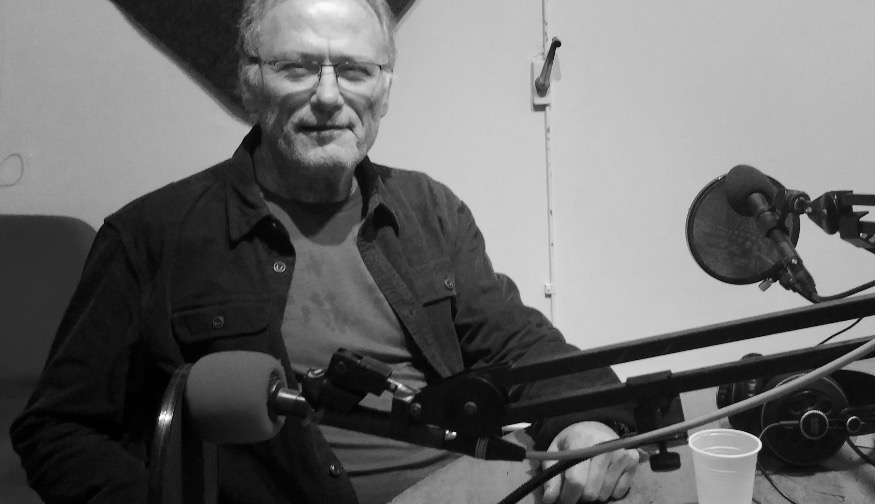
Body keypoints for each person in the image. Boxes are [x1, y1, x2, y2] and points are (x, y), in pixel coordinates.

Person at [10, 0, 640, 502]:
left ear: (385, 88)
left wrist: (589, 419)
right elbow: (58, 431)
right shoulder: (151, 235)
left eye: (356, 71)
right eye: (297, 67)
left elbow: (519, 344)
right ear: (250, 81)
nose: (330, 96)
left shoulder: (430, 210)